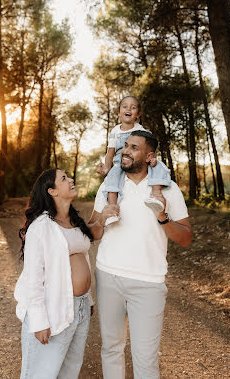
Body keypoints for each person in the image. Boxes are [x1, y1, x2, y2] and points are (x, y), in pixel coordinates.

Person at [89, 130, 193, 379]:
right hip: (108, 276)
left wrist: (162, 218)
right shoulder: (109, 185)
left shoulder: (167, 189)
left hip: (149, 282)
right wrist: (102, 219)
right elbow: (92, 232)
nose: (125, 150)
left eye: (134, 147)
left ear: (149, 156)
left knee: (145, 357)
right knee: (111, 348)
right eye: (125, 145)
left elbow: (186, 237)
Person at [14, 168, 112, 379]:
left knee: (70, 369)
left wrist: (89, 301)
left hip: (80, 307)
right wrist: (39, 321)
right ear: (52, 191)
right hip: (52, 308)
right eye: (64, 178)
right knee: (41, 373)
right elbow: (33, 278)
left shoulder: (74, 222)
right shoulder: (41, 227)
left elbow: (84, 255)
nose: (71, 179)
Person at [97, 96, 171, 225]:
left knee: (159, 167)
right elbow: (110, 154)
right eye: (125, 106)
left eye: (133, 107)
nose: (128, 109)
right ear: (119, 111)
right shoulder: (115, 131)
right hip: (120, 162)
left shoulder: (141, 130)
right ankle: (112, 209)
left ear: (138, 114)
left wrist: (153, 159)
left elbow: (148, 147)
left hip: (138, 161)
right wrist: (107, 168)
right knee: (112, 178)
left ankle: (156, 194)